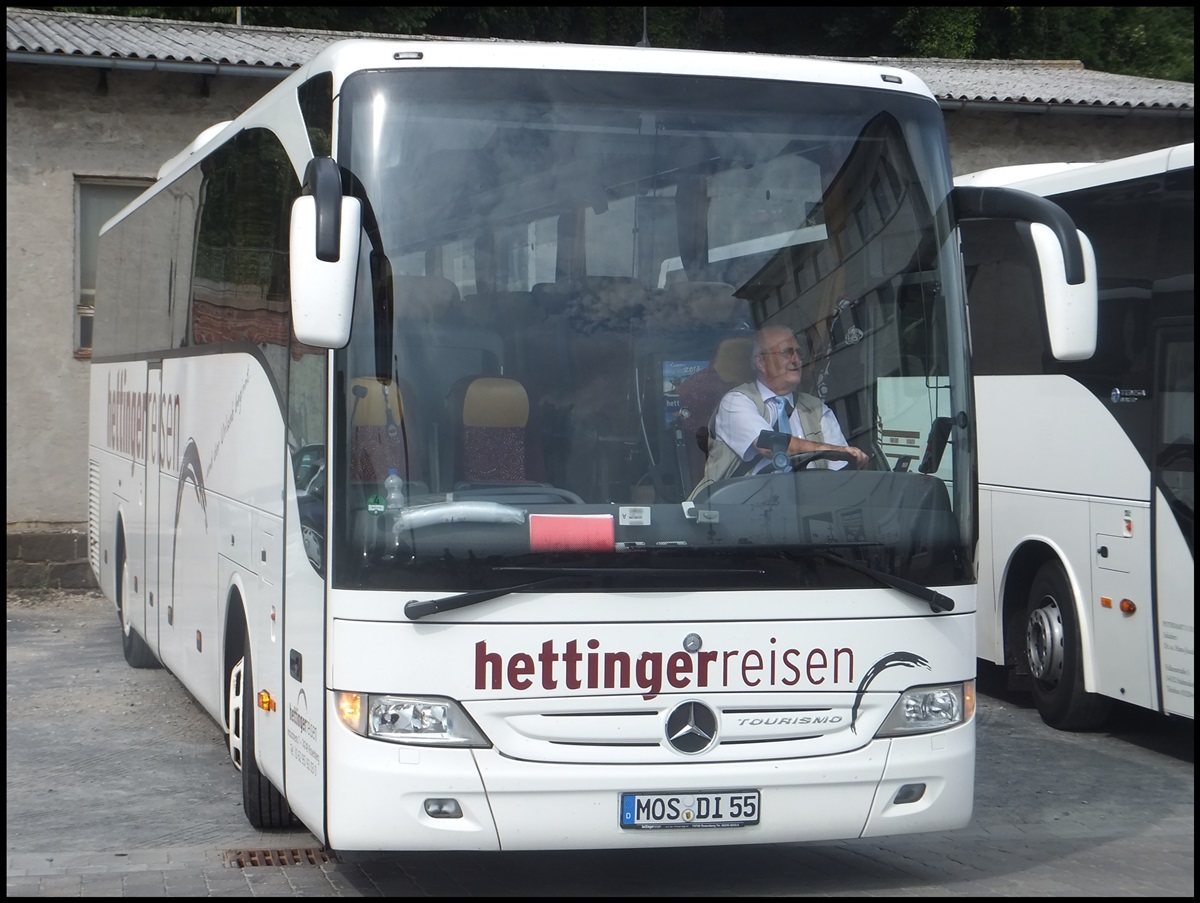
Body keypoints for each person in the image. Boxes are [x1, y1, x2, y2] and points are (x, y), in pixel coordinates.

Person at [691, 324, 867, 495]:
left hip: (812, 510)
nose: (797, 360)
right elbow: (770, 446)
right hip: (743, 513)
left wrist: (844, 457)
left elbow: (841, 472)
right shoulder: (736, 401)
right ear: (761, 362)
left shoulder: (816, 408)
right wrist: (835, 451)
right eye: (787, 352)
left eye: (799, 352)